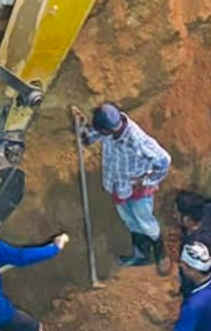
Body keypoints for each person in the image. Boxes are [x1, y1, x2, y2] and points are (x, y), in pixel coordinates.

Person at [72, 102, 172, 275]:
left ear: (107, 130)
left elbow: (164, 160)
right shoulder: (112, 127)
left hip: (137, 189)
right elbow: (89, 138)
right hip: (118, 185)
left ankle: (160, 254)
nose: (100, 134)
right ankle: (141, 254)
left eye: (101, 131)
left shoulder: (136, 141)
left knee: (146, 223)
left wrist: (147, 180)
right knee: (130, 221)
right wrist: (80, 125)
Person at [175, 190, 211, 297]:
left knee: (190, 288)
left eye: (177, 213)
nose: (174, 216)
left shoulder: (194, 245)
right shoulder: (206, 211)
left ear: (187, 220)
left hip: (198, 275)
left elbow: (193, 272)